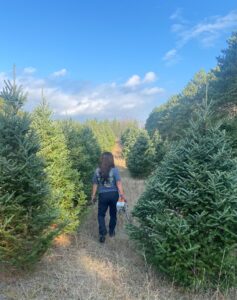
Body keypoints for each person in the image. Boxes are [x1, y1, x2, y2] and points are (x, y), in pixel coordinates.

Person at [91, 152, 126, 243]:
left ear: (102, 159)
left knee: (101, 215)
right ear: (111, 160)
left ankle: (102, 233)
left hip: (103, 195)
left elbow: (95, 184)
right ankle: (111, 232)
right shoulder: (115, 170)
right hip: (114, 195)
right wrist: (122, 194)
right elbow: (118, 183)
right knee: (113, 214)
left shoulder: (97, 170)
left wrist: (93, 196)